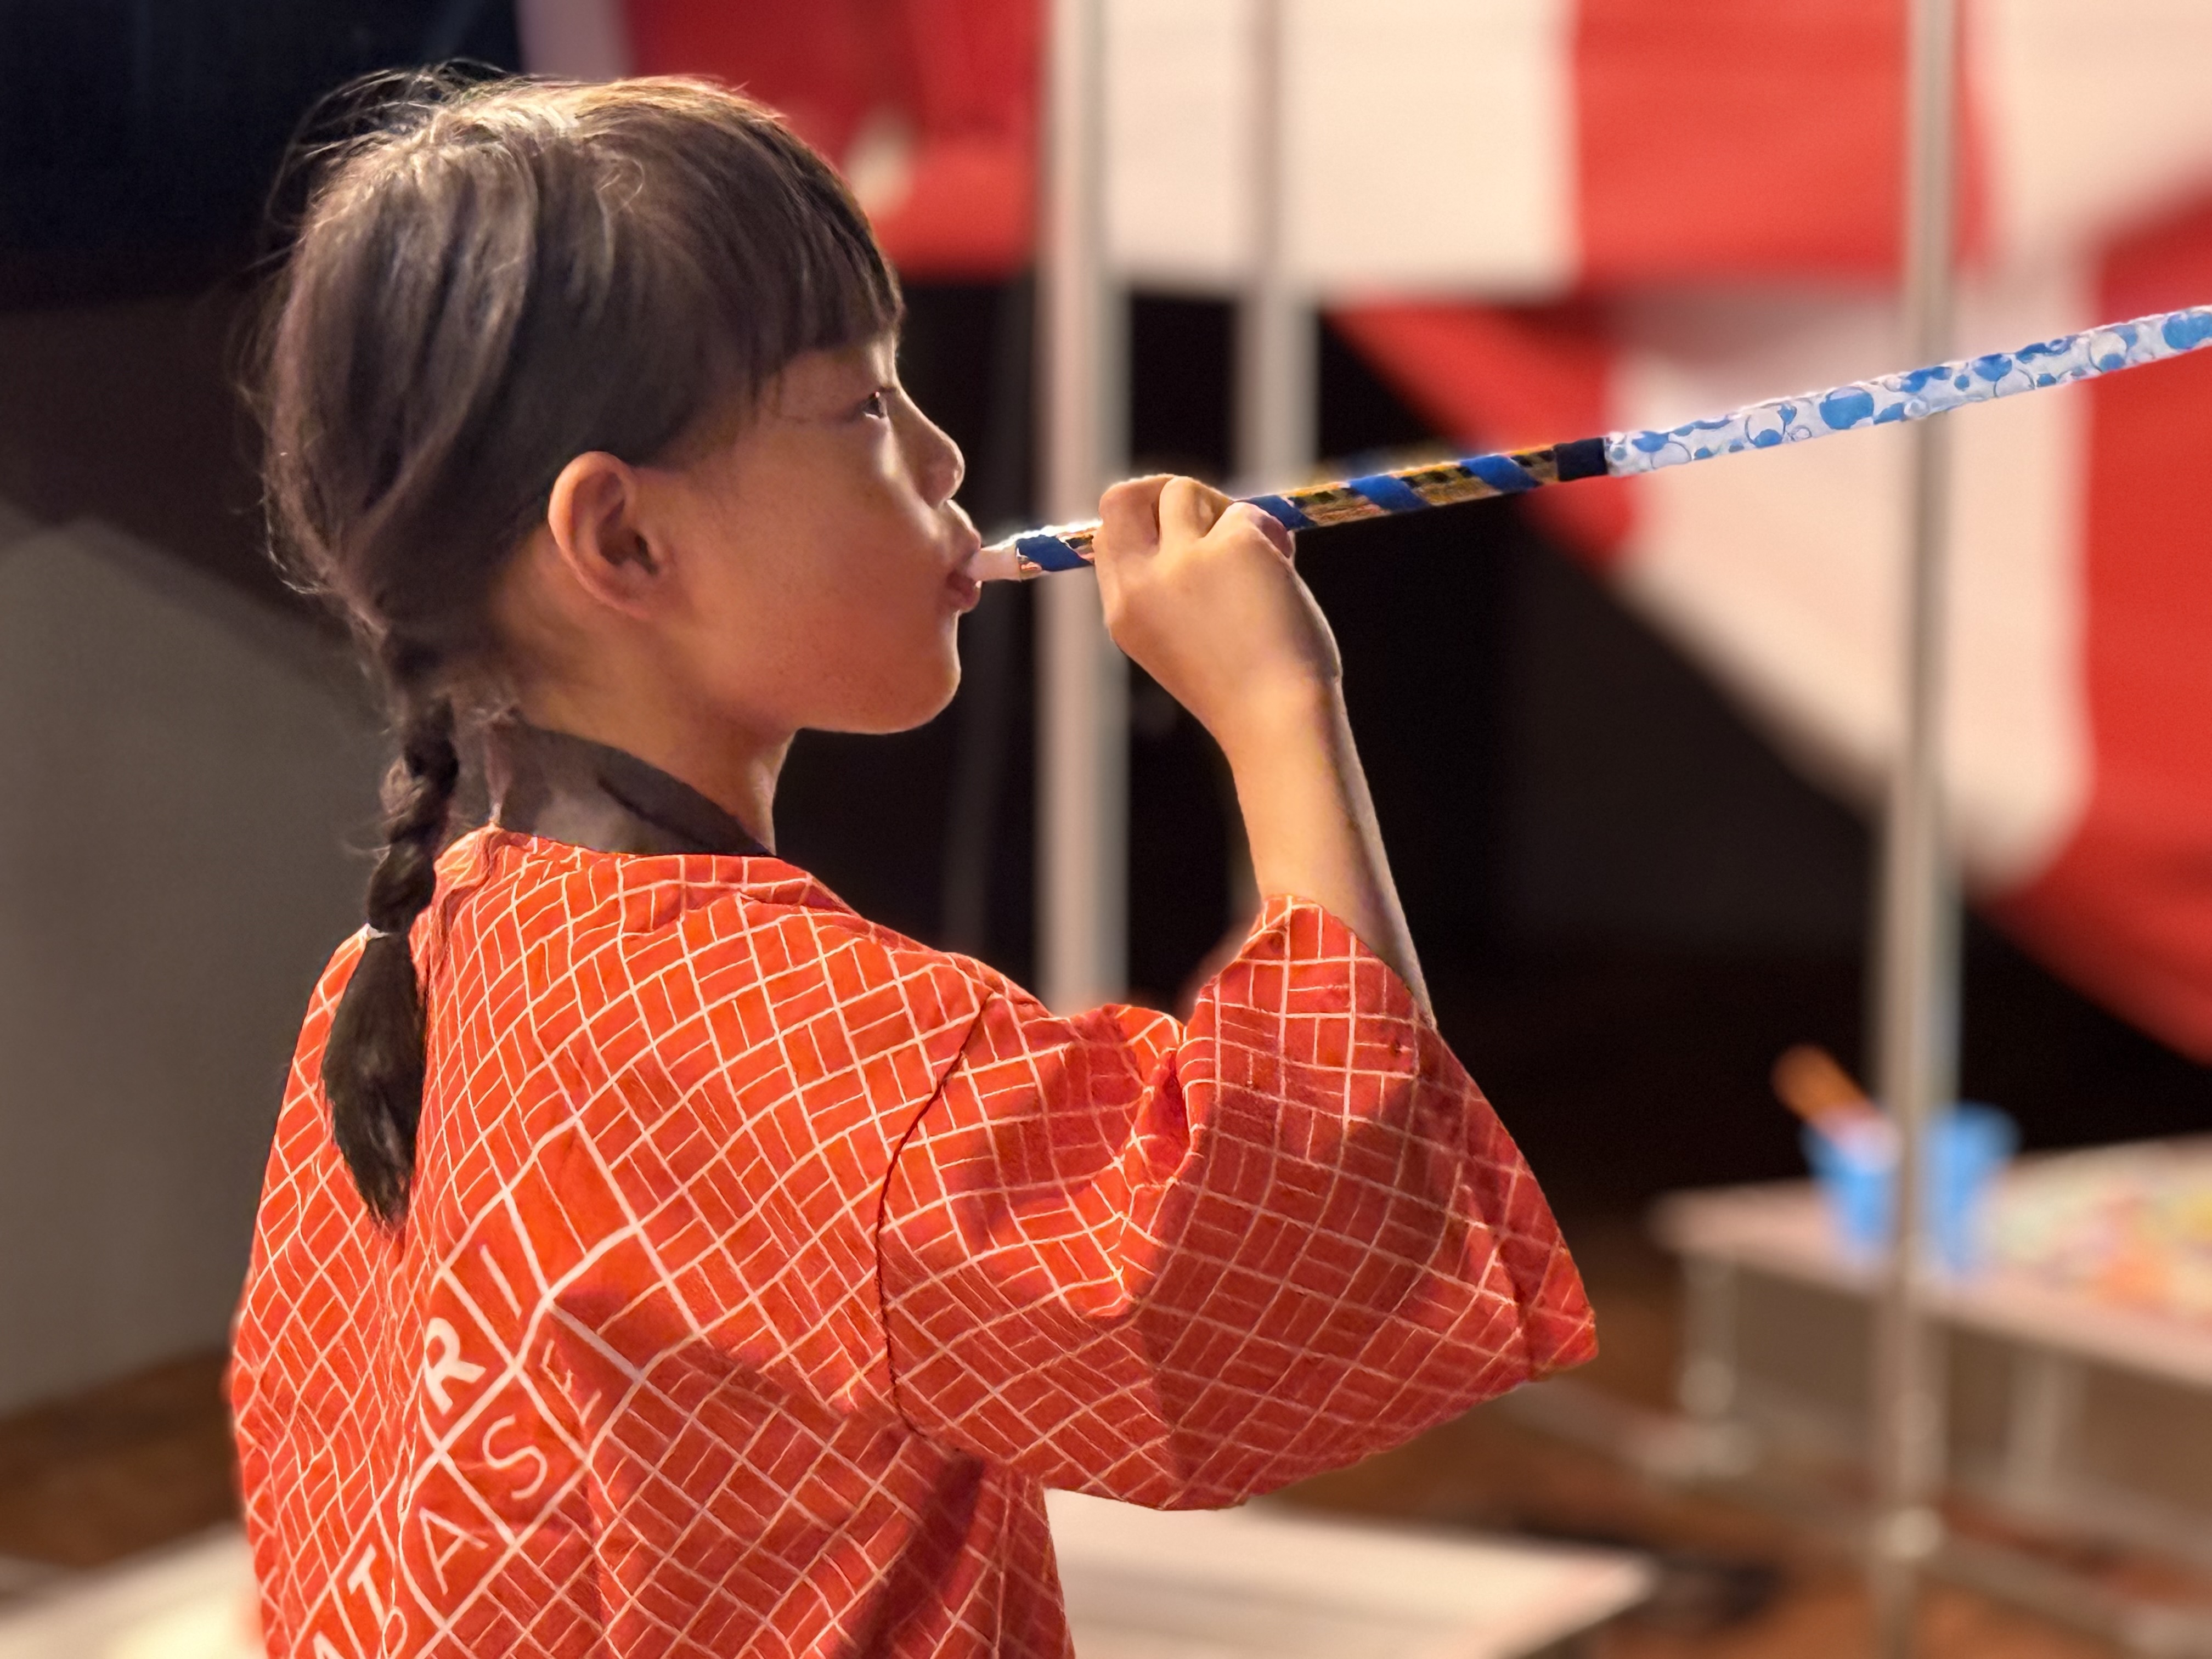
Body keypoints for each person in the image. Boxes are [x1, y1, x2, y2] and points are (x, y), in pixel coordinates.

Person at [229, 73, 1594, 1659]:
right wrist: (1281, 712)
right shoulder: (777, 1035)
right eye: (865, 407)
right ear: (624, 542)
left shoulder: (395, 974)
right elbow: (1266, 1287)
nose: (943, 458)